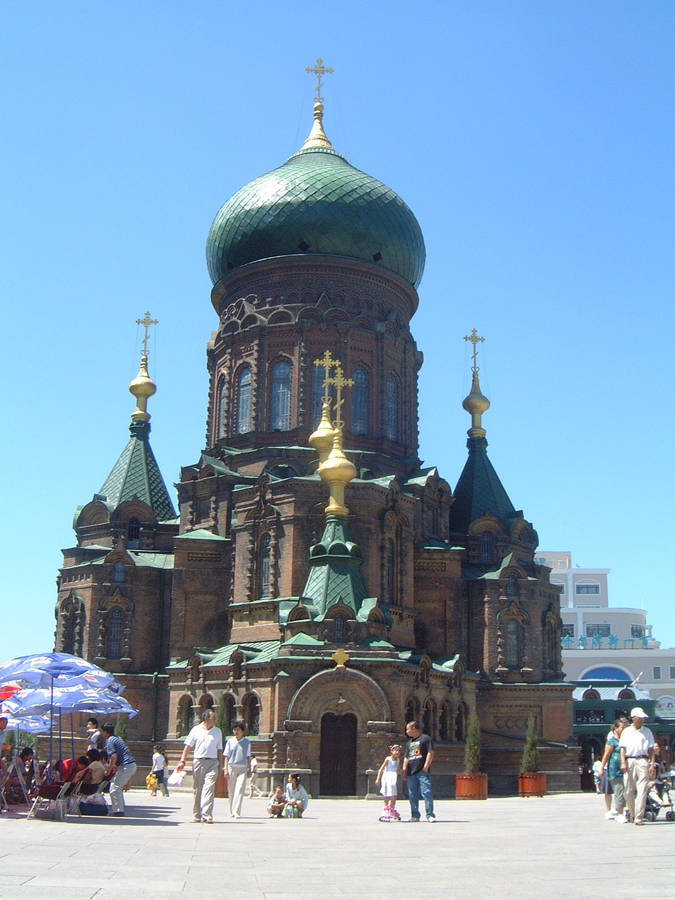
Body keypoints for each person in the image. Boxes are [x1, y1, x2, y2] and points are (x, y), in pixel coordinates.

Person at [177, 709, 223, 823]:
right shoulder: (196, 730)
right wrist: (183, 760)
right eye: (213, 718)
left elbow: (220, 749)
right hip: (198, 761)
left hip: (213, 762)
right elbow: (188, 746)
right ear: (206, 719)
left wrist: (221, 765)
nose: (216, 720)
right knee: (198, 788)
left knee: (210, 787)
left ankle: (207, 814)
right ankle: (197, 813)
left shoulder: (218, 731)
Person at [619, 706, 656, 826]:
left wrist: (651, 764)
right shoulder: (626, 731)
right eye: (639, 718)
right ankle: (632, 812)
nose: (642, 720)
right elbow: (622, 748)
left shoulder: (647, 731)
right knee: (628, 790)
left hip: (643, 760)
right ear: (633, 718)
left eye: (643, 718)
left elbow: (651, 749)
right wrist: (623, 762)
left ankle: (639, 817)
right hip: (630, 760)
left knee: (642, 789)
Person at [101, 721, 137, 817]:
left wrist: (108, 770)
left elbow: (113, 756)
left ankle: (118, 811)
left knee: (114, 788)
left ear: (105, 732)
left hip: (126, 765)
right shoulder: (117, 739)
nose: (102, 734)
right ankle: (119, 808)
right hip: (129, 765)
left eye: (102, 732)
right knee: (116, 786)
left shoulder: (110, 741)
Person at [402, 720, 435, 822]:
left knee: (426, 792)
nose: (406, 731)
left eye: (407, 729)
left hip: (422, 771)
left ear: (413, 729)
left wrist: (426, 765)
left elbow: (430, 752)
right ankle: (415, 815)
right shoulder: (409, 743)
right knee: (412, 794)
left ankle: (430, 815)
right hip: (411, 772)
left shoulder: (425, 739)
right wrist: (404, 770)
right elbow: (406, 757)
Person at [598, 719, 627, 823]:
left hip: (627, 769)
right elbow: (606, 755)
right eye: (622, 728)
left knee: (626, 791)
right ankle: (619, 814)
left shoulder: (627, 740)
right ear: (615, 728)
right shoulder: (612, 741)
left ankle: (624, 810)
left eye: (625, 728)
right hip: (614, 769)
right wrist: (601, 768)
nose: (624, 730)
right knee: (619, 790)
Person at [224, 720, 251, 819]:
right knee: (231, 791)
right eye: (234, 730)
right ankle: (231, 810)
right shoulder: (230, 742)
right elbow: (226, 756)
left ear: (242, 731)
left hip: (242, 768)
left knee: (239, 790)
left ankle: (237, 811)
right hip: (232, 767)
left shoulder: (247, 742)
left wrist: (249, 768)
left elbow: (248, 756)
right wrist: (226, 769)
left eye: (238, 730)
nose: (236, 732)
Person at [375, 744, 402, 821]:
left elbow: (399, 769)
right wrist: (378, 779)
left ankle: (392, 809)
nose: (397, 752)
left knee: (394, 795)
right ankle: (386, 810)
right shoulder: (388, 759)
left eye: (399, 751)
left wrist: (403, 775)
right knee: (387, 794)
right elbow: (381, 769)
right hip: (387, 778)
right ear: (392, 751)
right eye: (396, 751)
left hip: (393, 778)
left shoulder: (398, 760)